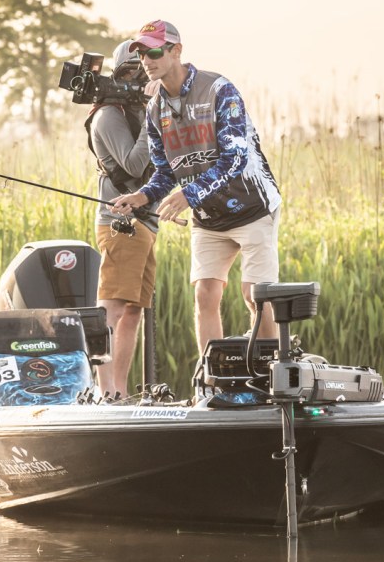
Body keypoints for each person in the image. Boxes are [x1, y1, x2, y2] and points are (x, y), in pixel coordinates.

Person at [111, 20, 282, 360]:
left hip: (253, 208)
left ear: (176, 51)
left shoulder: (219, 89)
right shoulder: (155, 109)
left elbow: (235, 158)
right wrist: (142, 196)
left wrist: (188, 195)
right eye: (141, 54)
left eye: (154, 52)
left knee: (255, 296)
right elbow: (165, 172)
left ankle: (267, 370)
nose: (146, 61)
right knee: (205, 294)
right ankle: (211, 376)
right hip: (208, 218)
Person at [86, 41, 159, 399]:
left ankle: (120, 392)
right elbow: (133, 164)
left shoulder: (138, 112)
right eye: (132, 73)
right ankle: (105, 393)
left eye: (143, 72)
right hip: (120, 223)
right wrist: (154, 113)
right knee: (112, 309)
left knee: (133, 312)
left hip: (146, 222)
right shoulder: (108, 116)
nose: (140, 80)